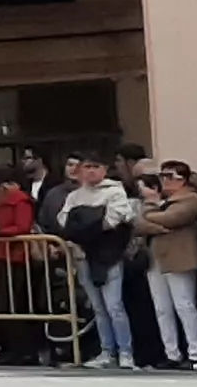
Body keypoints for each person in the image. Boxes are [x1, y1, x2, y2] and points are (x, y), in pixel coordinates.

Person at [54, 156, 138, 369]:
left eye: (96, 166)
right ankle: (107, 351)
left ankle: (125, 352)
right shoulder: (74, 196)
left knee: (114, 305)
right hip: (83, 254)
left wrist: (83, 224)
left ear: (105, 169)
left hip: (107, 254)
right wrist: (88, 224)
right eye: (87, 167)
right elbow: (63, 220)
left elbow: (112, 220)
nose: (91, 171)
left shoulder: (115, 192)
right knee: (99, 307)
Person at [135, 163, 197, 369]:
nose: (164, 181)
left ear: (182, 179)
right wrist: (154, 217)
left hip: (179, 256)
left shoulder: (190, 198)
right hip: (156, 256)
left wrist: (151, 214)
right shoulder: (159, 201)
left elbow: (173, 218)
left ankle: (195, 352)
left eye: (169, 176)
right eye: (162, 176)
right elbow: (138, 224)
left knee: (184, 305)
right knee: (162, 308)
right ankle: (171, 352)